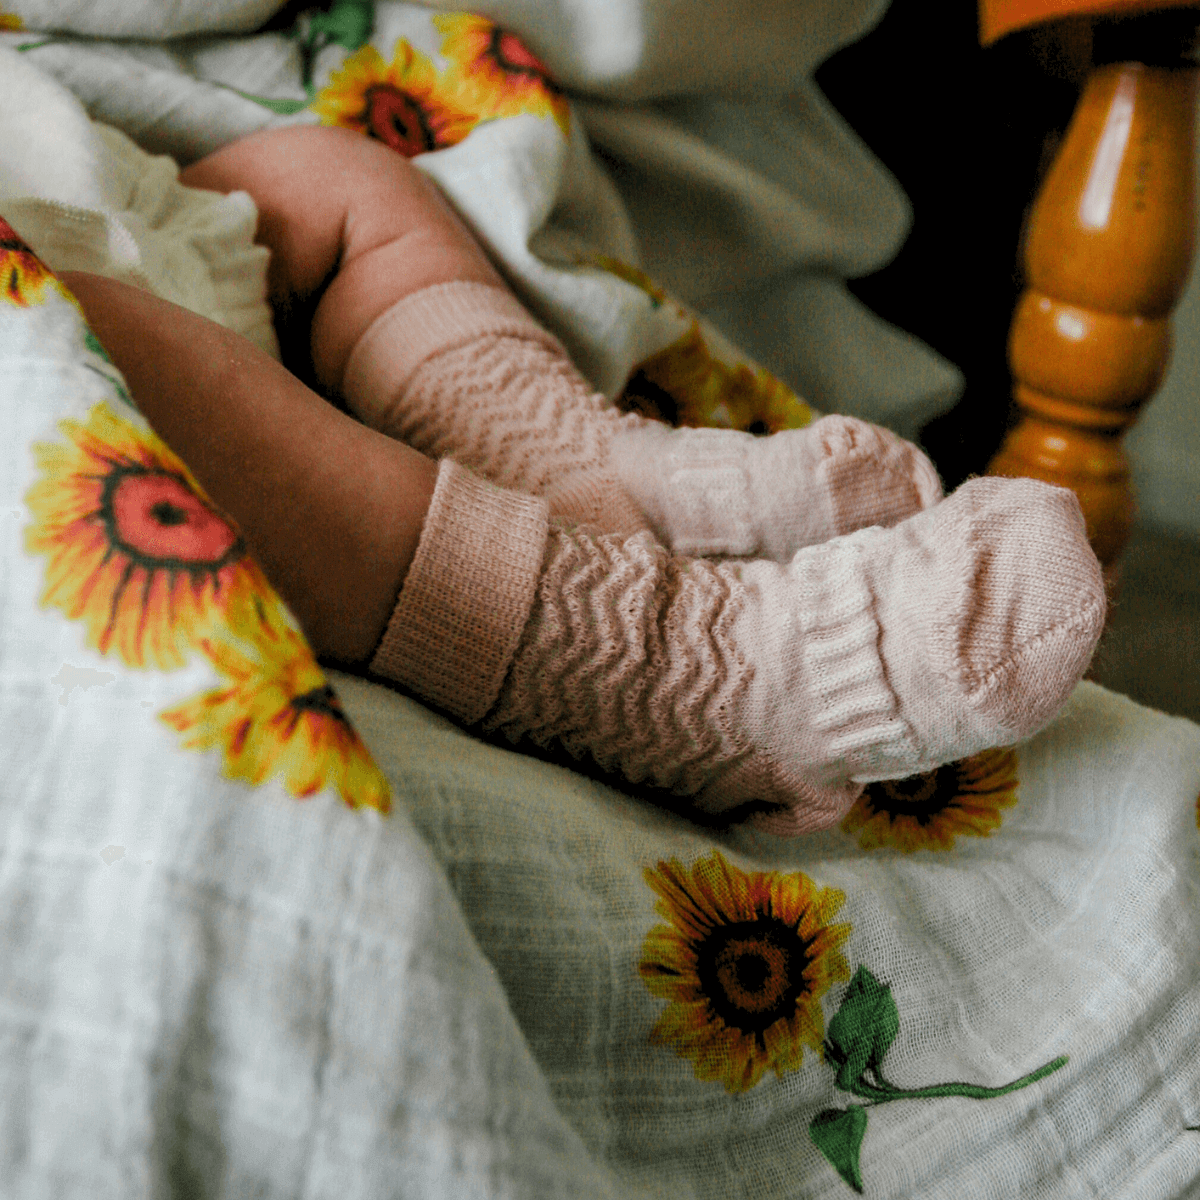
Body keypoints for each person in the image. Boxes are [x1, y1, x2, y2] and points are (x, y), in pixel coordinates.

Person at [60, 124, 1106, 835]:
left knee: (326, 174)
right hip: (73, 364)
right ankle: (664, 659)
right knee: (89, 344)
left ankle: (575, 464)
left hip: (108, 204)